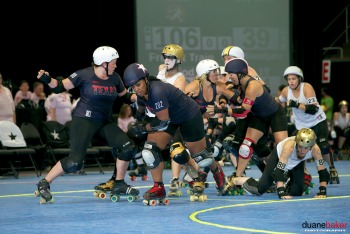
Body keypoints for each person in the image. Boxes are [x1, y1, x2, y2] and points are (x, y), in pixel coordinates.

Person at [34, 46, 139, 203]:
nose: (116, 65)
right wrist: (48, 80)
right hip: (83, 121)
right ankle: (44, 183)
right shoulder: (84, 74)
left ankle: (118, 184)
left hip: (103, 122)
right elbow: (60, 86)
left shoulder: (115, 78)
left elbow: (126, 97)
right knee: (75, 163)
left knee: (127, 147)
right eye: (113, 63)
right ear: (103, 63)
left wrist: (143, 97)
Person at [123, 62, 224, 203]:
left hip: (188, 116)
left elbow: (162, 121)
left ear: (146, 79)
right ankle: (158, 187)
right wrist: (139, 122)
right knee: (150, 151)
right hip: (170, 118)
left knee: (201, 157)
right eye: (132, 87)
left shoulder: (156, 90)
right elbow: (143, 112)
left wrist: (142, 128)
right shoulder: (141, 93)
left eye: (138, 85)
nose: (136, 89)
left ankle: (217, 172)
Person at [221, 58, 289, 195]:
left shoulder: (252, 86)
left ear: (240, 74)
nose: (229, 77)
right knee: (246, 147)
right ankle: (238, 177)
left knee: (284, 148)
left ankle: (295, 175)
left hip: (275, 114)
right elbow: (233, 97)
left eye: (231, 75)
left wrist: (222, 110)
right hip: (259, 116)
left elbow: (243, 113)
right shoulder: (240, 83)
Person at [278, 65, 340, 184]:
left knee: (323, 146)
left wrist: (296, 104)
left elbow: (313, 109)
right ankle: (304, 173)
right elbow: (278, 101)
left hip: (317, 120)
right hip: (302, 124)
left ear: (299, 79)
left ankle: (332, 168)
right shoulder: (286, 90)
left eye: (293, 79)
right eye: (289, 79)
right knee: (300, 149)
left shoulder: (306, 88)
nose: (291, 81)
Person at [227, 128, 330, 199]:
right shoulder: (288, 148)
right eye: (300, 147)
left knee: (297, 192)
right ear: (296, 144)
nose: (302, 151)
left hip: (297, 162)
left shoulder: (316, 150)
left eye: (306, 148)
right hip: (279, 155)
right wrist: (281, 191)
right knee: (260, 189)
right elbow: (279, 171)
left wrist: (322, 191)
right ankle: (236, 179)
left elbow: (322, 171)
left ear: (311, 147)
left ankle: (289, 180)